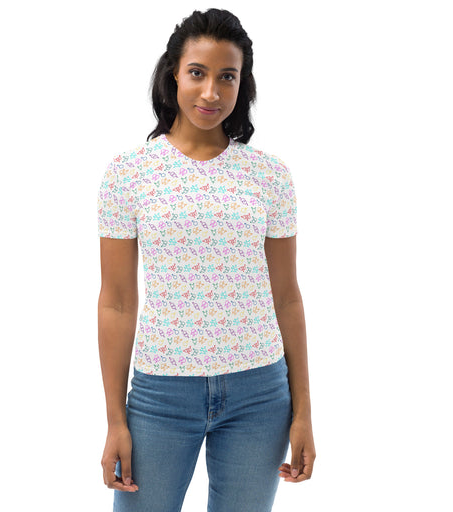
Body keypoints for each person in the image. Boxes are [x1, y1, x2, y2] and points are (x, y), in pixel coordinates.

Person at [97, 8, 315, 512]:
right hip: (160, 395)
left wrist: (303, 411)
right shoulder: (128, 174)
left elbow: (287, 297)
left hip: (260, 395)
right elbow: (117, 302)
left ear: (243, 84)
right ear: (173, 74)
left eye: (227, 77)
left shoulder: (269, 176)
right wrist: (114, 420)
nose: (211, 92)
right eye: (197, 72)